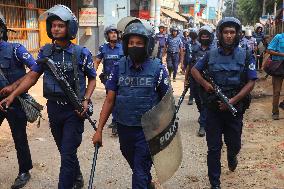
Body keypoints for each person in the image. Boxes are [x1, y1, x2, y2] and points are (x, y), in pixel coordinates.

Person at [0, 5, 97, 189]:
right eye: (53, 25)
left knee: (67, 153)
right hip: (54, 109)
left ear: (69, 28)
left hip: (74, 111)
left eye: (60, 25)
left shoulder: (80, 53)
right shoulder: (45, 52)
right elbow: (32, 76)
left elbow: (92, 79)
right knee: (64, 150)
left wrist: (86, 99)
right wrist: (13, 95)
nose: (56, 29)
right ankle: (77, 177)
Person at [92, 21, 169, 189]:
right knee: (135, 163)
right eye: (131, 43)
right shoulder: (119, 66)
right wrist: (99, 130)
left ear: (147, 44)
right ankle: (147, 183)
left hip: (148, 130)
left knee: (139, 170)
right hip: (124, 127)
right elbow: (110, 100)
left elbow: (167, 101)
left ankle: (142, 181)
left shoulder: (158, 69)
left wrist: (163, 130)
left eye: (139, 43)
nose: (135, 46)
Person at [191, 17, 257, 189]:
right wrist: (206, 85)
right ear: (220, 34)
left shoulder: (246, 54)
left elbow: (251, 82)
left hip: (235, 108)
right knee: (213, 148)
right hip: (213, 109)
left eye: (232, 32)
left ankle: (232, 155)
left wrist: (232, 101)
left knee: (234, 143)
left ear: (237, 34)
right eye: (226, 32)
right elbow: (194, 70)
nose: (229, 35)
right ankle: (215, 183)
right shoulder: (210, 54)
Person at [0, 11, 36, 189]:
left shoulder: (16, 49)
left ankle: (24, 171)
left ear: (1, 30)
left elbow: (36, 70)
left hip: (15, 102)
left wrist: (13, 87)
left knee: (19, 137)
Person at [185, 25, 214, 137]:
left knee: (205, 102)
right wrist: (186, 78)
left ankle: (203, 125)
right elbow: (190, 65)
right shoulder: (195, 49)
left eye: (207, 36)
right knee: (198, 101)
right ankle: (202, 115)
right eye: (203, 36)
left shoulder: (214, 50)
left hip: (208, 81)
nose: (204, 38)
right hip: (194, 80)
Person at [94, 24, 123, 135]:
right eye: (111, 32)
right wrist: (93, 74)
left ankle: (116, 122)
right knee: (111, 100)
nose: (113, 34)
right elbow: (97, 61)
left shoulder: (123, 47)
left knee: (118, 101)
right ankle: (115, 120)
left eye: (115, 32)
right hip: (108, 80)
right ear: (107, 35)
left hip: (121, 79)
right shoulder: (103, 48)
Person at [266, 33, 284, 120]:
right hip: (278, 67)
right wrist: (282, 54)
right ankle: (275, 112)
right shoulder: (278, 37)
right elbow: (269, 50)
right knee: (277, 91)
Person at [185, 28, 200, 105]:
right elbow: (185, 53)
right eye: (192, 34)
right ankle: (191, 97)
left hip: (197, 65)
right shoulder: (187, 43)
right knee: (191, 81)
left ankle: (196, 96)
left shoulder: (199, 45)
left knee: (197, 82)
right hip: (189, 64)